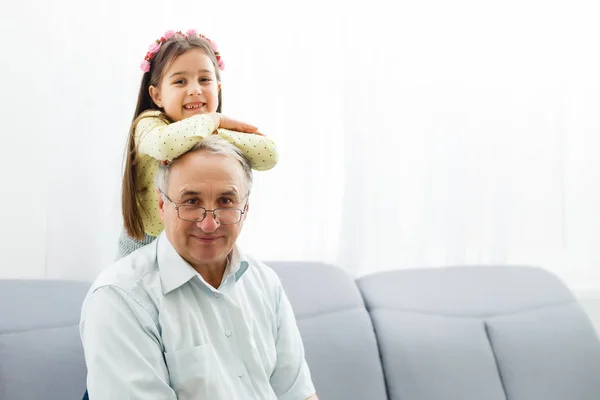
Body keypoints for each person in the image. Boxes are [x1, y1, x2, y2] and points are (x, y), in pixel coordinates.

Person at [80, 135, 318, 399]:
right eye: (191, 202)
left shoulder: (265, 283)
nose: (209, 224)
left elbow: (299, 395)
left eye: (226, 201)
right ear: (161, 205)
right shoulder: (120, 298)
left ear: (246, 208)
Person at [119, 28, 278, 258]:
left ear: (218, 88)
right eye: (180, 81)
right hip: (145, 244)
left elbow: (269, 153)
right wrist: (215, 119)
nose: (195, 90)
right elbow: (166, 145)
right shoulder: (149, 125)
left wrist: (213, 130)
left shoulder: (211, 132)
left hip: (197, 240)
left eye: (204, 79)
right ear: (157, 96)